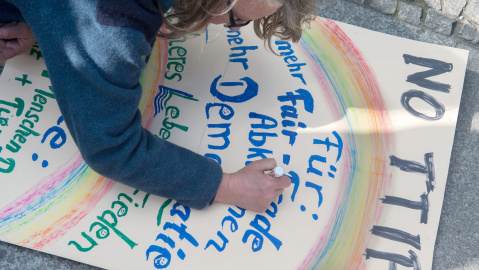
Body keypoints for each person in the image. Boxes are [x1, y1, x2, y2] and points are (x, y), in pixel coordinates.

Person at [0, 0, 318, 212]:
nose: (228, 28)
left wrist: (47, 17)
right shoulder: (110, 31)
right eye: (235, 20)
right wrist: (226, 185)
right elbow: (111, 148)